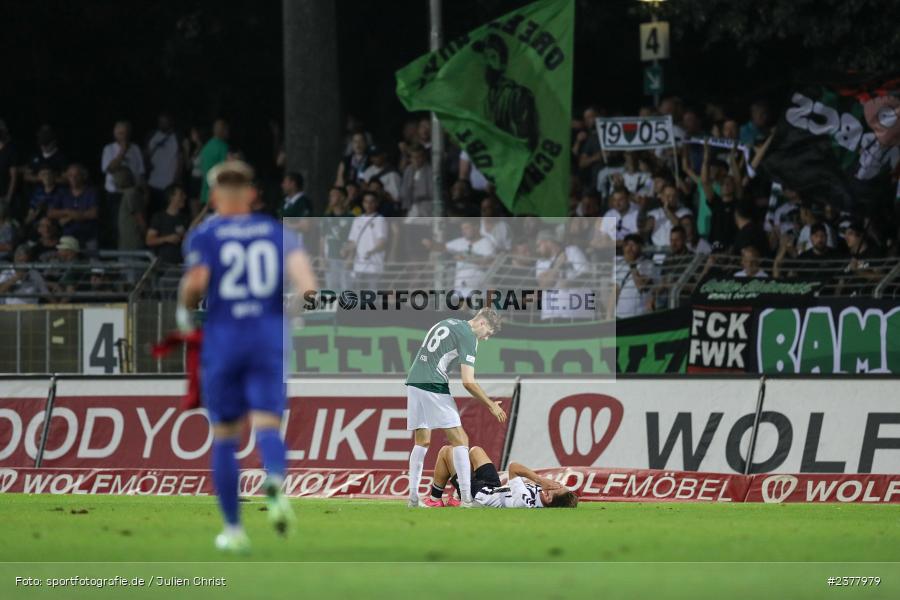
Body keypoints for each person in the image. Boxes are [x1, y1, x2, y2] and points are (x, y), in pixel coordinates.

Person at [177, 160, 317, 553]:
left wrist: (186, 312)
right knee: (268, 425)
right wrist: (290, 317)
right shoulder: (277, 233)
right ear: (253, 194)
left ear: (215, 196)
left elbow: (196, 284)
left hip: (224, 338)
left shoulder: (206, 233)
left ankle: (234, 531)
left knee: (223, 435)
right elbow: (309, 288)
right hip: (267, 337)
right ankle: (273, 477)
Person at [405, 307, 507, 508]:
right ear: (483, 323)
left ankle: (413, 499)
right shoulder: (469, 336)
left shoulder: (448, 322)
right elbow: (468, 382)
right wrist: (490, 405)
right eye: (488, 334)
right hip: (433, 383)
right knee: (461, 440)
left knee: (422, 440)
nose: (486, 339)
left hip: (414, 380)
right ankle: (467, 499)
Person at [424, 445, 578, 509]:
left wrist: (540, 479)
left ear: (549, 497)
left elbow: (513, 467)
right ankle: (457, 496)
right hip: (494, 487)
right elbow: (527, 480)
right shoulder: (542, 495)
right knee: (476, 451)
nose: (554, 483)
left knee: (447, 451)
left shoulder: (524, 501)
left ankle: (435, 500)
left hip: (479, 494)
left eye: (556, 487)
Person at [422, 218, 496, 299]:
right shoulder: (461, 242)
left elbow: (489, 262)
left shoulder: (486, 243)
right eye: (462, 229)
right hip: (460, 289)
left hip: (478, 288)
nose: (463, 231)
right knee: (460, 309)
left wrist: (466, 258)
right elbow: (443, 247)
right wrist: (431, 245)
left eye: (466, 228)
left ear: (476, 227)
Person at [48, 164, 99, 252]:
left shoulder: (91, 192)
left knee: (92, 263)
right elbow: (50, 212)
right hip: (68, 238)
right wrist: (68, 212)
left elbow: (93, 214)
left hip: (88, 236)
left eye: (76, 175)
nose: (73, 178)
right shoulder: (63, 193)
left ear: (83, 176)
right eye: (70, 175)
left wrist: (69, 217)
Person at [342, 191, 388, 290]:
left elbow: (382, 242)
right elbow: (353, 241)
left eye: (372, 202)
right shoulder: (357, 220)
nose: (369, 205)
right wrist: (346, 250)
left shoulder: (380, 220)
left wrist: (371, 251)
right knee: (357, 296)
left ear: (376, 203)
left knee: (372, 298)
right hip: (358, 266)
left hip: (374, 266)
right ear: (363, 203)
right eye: (366, 202)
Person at [145, 113, 181, 215]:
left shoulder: (176, 137)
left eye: (165, 122)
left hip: (168, 184)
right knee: (152, 212)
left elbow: (180, 158)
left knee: (166, 213)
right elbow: (146, 155)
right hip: (152, 182)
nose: (162, 124)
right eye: (161, 122)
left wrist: (176, 179)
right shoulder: (152, 135)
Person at [613, 234, 653, 319]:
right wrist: (609, 315)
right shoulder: (619, 264)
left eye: (633, 245)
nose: (629, 248)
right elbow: (616, 290)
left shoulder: (647, 264)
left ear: (640, 247)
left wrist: (632, 265)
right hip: (619, 315)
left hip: (638, 316)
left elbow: (641, 286)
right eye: (627, 245)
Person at [146, 184, 188, 265]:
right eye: (181, 194)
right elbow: (149, 240)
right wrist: (167, 238)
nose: (185, 197)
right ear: (171, 197)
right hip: (164, 265)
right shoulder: (159, 217)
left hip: (182, 265)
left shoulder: (185, 218)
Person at [645, 184, 692, 249]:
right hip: (657, 251)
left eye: (674, 196)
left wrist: (667, 210)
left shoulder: (685, 212)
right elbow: (646, 229)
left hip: (676, 250)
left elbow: (680, 227)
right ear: (661, 197)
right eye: (668, 196)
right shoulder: (653, 213)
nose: (671, 198)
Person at [114, 167, 146, 251]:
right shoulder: (126, 193)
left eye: (118, 176)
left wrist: (144, 232)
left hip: (132, 240)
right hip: (125, 240)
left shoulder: (131, 193)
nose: (115, 180)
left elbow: (139, 216)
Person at [198, 119, 230, 206]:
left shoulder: (206, 147)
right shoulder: (223, 146)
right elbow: (226, 170)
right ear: (223, 130)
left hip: (205, 194)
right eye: (227, 130)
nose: (228, 133)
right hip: (217, 196)